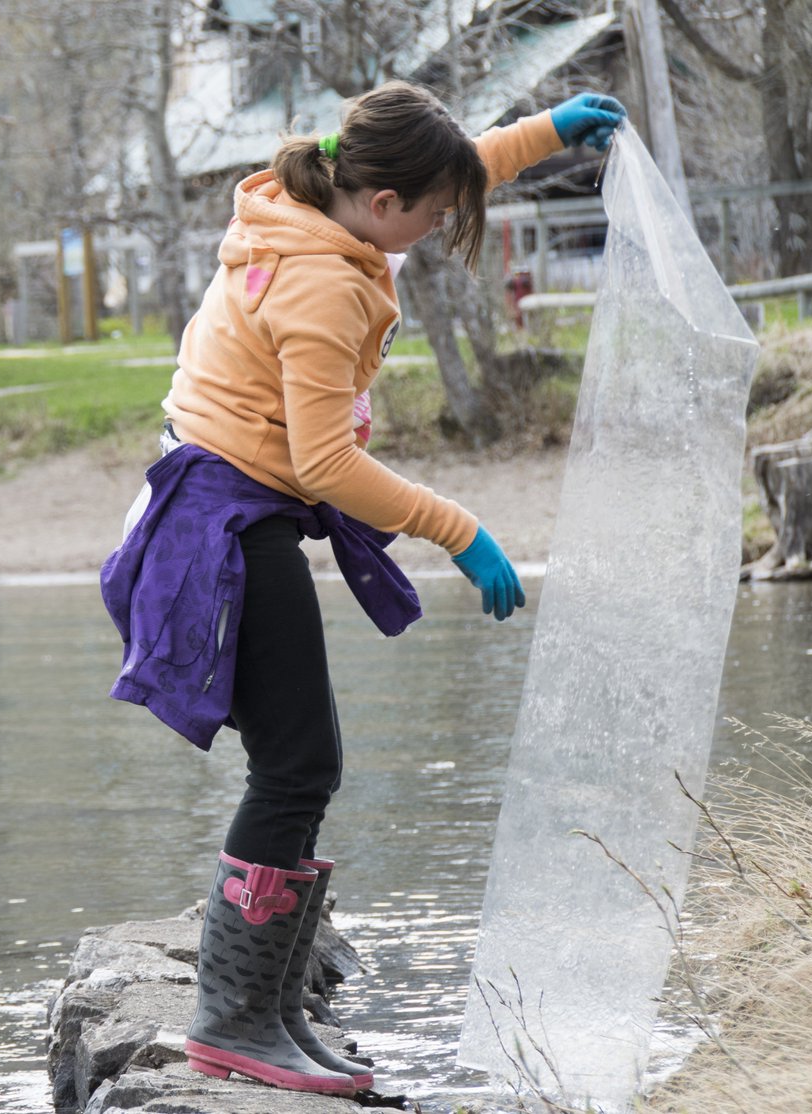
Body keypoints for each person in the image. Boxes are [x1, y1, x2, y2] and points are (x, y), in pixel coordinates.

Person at [101, 82, 626, 1097]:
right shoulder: (324, 285)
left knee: (305, 764)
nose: (436, 229)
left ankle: (273, 1012)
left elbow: (442, 162)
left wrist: (545, 133)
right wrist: (458, 529)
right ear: (382, 205)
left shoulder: (312, 210)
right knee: (298, 768)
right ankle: (232, 1022)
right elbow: (326, 466)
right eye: (433, 215)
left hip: (216, 508)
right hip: (222, 532)